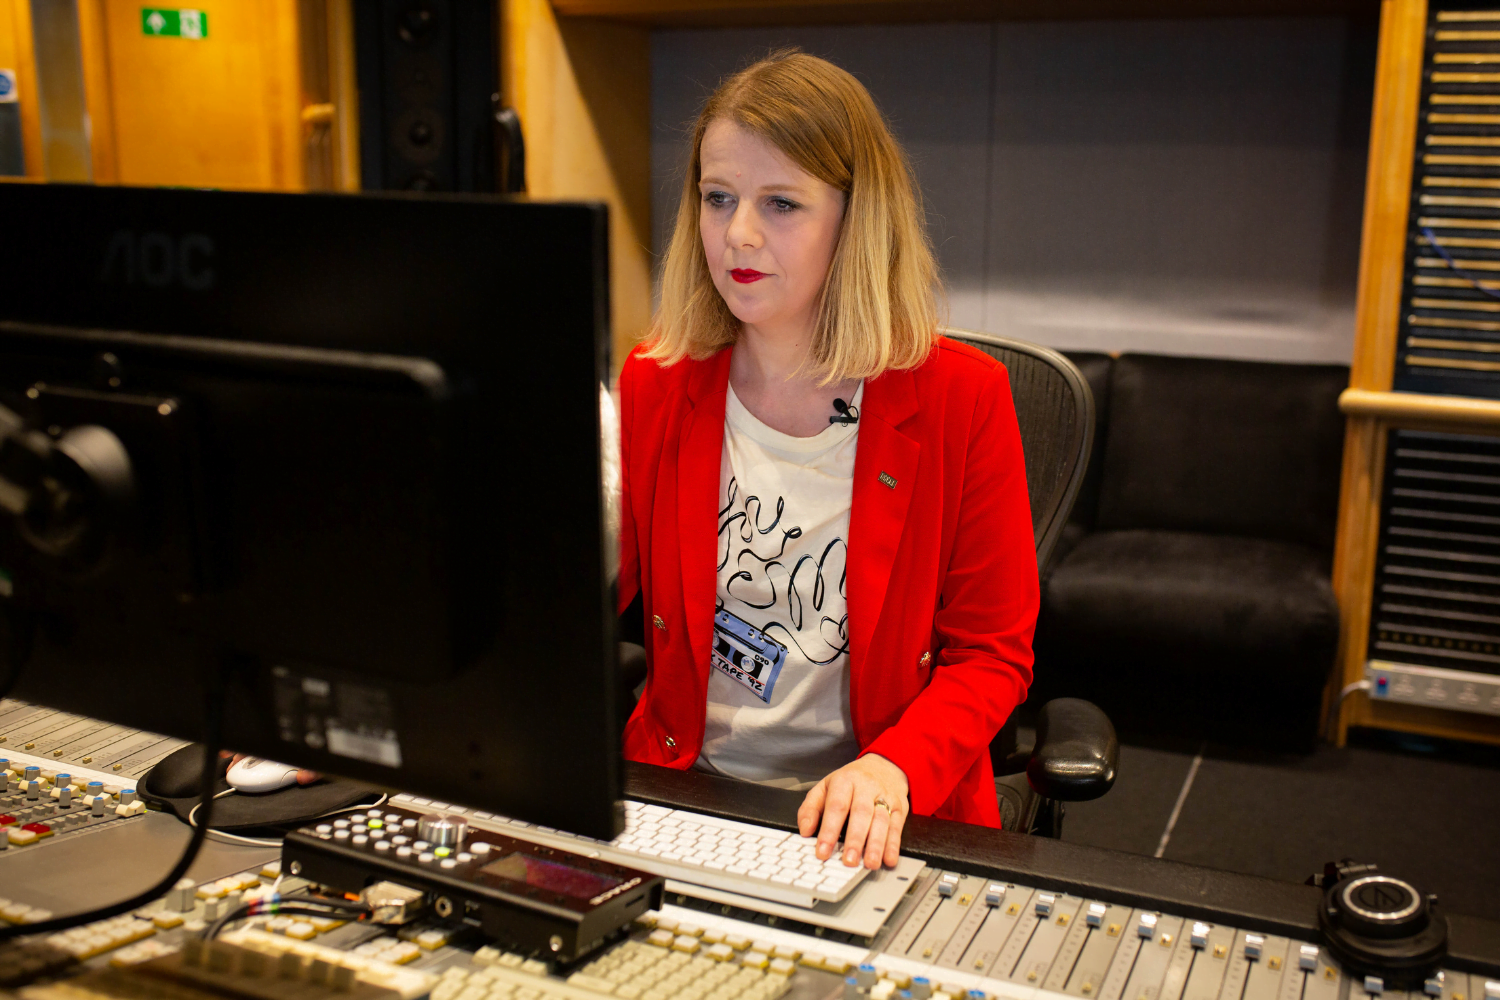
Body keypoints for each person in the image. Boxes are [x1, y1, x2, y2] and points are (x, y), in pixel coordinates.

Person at [615, 51, 1038, 872]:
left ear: (856, 220)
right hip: (688, 791)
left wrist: (893, 767)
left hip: (875, 817)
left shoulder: (963, 398)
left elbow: (993, 653)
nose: (737, 233)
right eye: (718, 198)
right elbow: (596, 596)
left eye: (781, 204)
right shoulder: (655, 380)